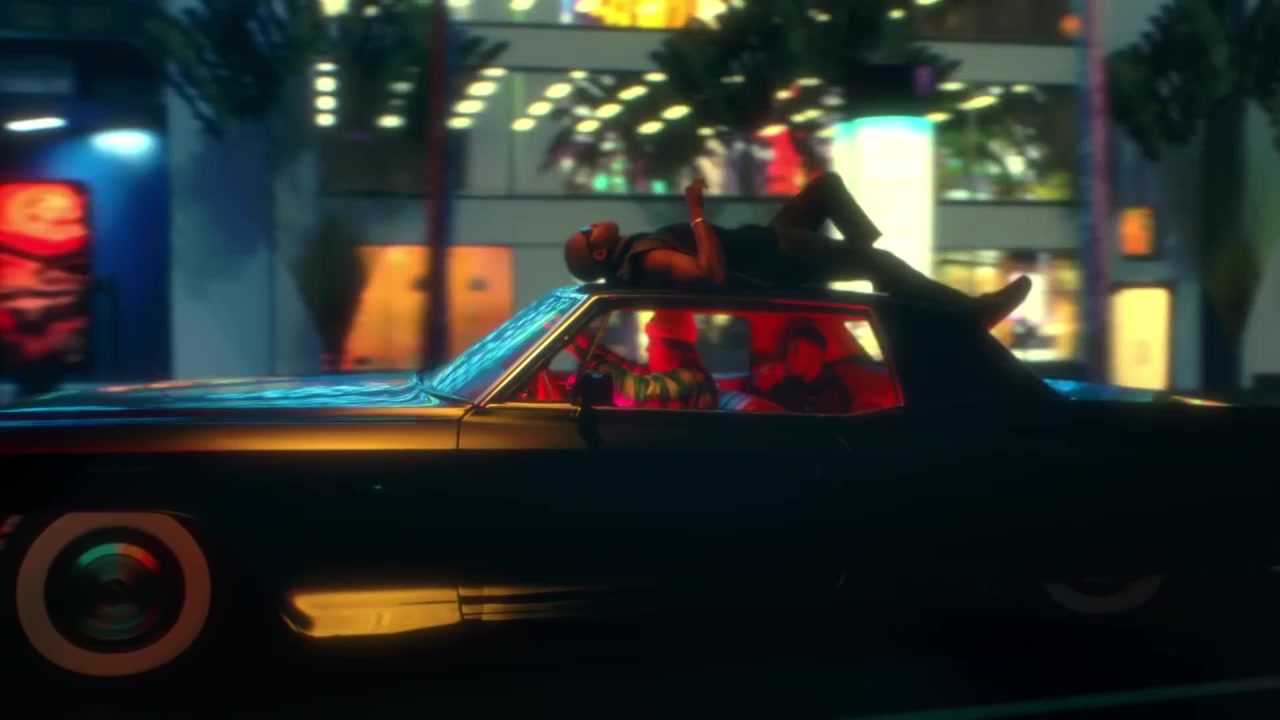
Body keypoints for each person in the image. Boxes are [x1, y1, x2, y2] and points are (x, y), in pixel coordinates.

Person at [563, 172, 1031, 329]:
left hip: (767, 242)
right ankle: (970, 314)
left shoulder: (635, 255)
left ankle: (857, 268)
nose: (591, 224)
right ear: (599, 254)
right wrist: (697, 212)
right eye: (587, 232)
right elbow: (711, 275)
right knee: (881, 263)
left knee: (827, 188)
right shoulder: (645, 259)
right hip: (776, 256)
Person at [568, 310, 718, 410]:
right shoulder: (675, 375)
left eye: (653, 342)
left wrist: (590, 358)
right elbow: (633, 369)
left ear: (673, 348)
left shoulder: (689, 380)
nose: (647, 349)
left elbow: (634, 391)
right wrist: (590, 348)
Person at [749, 319, 852, 414]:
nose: (789, 357)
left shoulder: (832, 393)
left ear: (815, 355)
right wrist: (762, 385)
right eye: (788, 351)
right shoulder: (790, 382)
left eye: (795, 351)